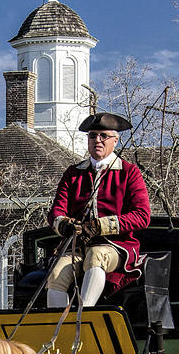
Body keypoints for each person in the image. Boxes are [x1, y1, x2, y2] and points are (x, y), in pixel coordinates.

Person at [46, 112, 150, 307]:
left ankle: (83, 318)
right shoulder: (73, 173)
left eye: (104, 136)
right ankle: (58, 331)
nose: (98, 140)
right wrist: (65, 224)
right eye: (92, 136)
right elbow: (55, 212)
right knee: (55, 273)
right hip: (77, 246)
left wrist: (99, 226)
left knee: (96, 255)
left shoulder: (129, 173)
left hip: (116, 246)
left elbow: (142, 216)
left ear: (116, 141)